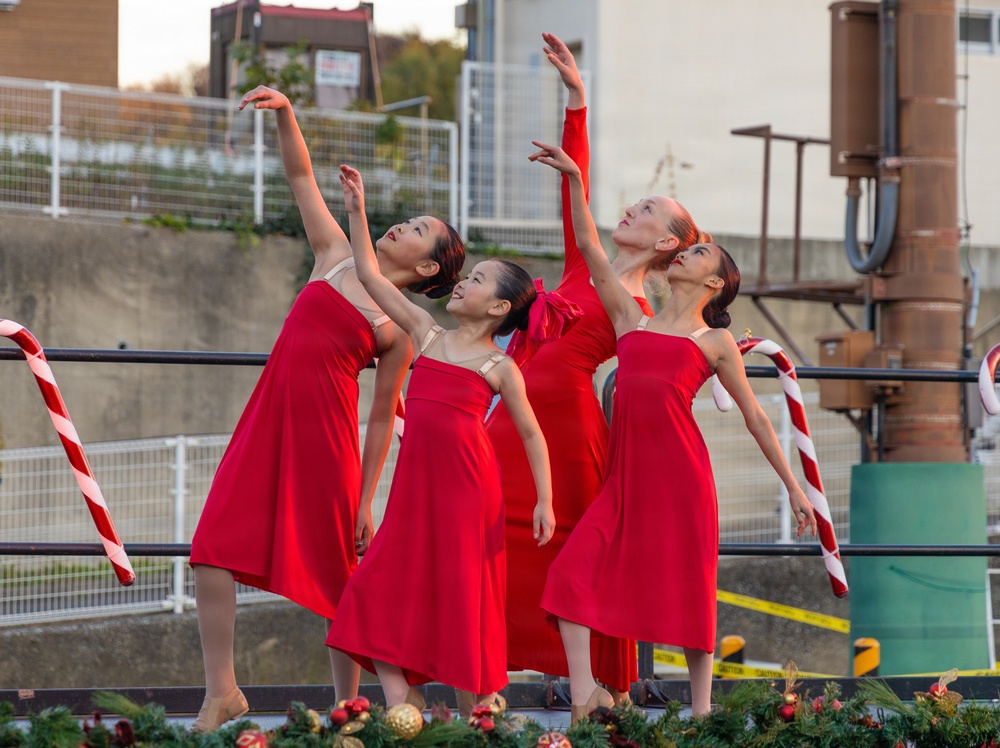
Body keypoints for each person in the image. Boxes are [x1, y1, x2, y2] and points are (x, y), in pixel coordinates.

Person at [187, 86, 465, 733]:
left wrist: (366, 498)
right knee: (210, 550)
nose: (402, 224)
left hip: (328, 442)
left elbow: (380, 418)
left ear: (426, 266)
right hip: (267, 423)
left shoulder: (398, 323)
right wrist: (286, 113)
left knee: (343, 582)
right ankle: (221, 692)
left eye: (418, 230)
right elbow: (300, 175)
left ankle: (350, 709)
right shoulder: (336, 253)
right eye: (409, 219)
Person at [528, 141, 818, 720]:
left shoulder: (713, 344)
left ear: (714, 284)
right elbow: (589, 246)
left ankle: (703, 711)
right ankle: (585, 696)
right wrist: (575, 181)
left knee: (689, 593)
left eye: (702, 253)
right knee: (569, 577)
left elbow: (758, 416)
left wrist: (794, 485)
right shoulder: (630, 319)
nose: (689, 254)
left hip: (682, 479)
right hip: (624, 479)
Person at [483, 32, 709, 704]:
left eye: (646, 211)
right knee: (487, 540)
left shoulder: (634, 302)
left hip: (571, 435)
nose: (629, 210)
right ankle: (482, 672)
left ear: (667, 242)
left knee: (570, 554)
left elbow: (685, 344)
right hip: (514, 419)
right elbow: (571, 195)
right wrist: (576, 101)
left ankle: (595, 687)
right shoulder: (588, 266)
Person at [325, 165, 558, 708]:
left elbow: (531, 434)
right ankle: (399, 699)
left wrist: (546, 499)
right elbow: (372, 274)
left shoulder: (500, 365)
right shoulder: (425, 334)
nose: (463, 282)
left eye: (477, 280)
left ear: (500, 308)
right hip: (414, 491)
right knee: (371, 587)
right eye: (466, 274)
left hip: (468, 495)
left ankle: (476, 709)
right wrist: (357, 211)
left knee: (463, 598)